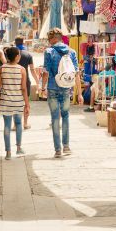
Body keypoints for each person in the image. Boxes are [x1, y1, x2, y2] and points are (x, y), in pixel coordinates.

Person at [43, 28, 78, 158]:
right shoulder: (71, 52)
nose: (49, 42)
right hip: (66, 88)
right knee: (66, 116)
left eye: (49, 39)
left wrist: (42, 87)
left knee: (54, 118)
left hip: (52, 87)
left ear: (53, 38)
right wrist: (78, 93)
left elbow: (46, 72)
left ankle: (57, 150)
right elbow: (76, 73)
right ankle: (66, 147)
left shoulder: (49, 51)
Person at [0, 47, 30, 160]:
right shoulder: (21, 69)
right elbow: (24, 88)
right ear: (16, 57)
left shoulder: (2, 68)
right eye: (19, 55)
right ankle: (19, 148)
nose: (19, 56)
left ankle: (8, 152)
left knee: (6, 125)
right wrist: (27, 103)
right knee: (19, 123)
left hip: (5, 101)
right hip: (18, 101)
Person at [14, 37, 34, 129]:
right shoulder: (28, 54)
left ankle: (15, 124)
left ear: (15, 42)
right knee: (26, 102)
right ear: (23, 42)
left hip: (14, 80)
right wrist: (38, 82)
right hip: (25, 80)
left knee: (15, 103)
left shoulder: (12, 53)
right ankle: (25, 123)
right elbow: (32, 70)